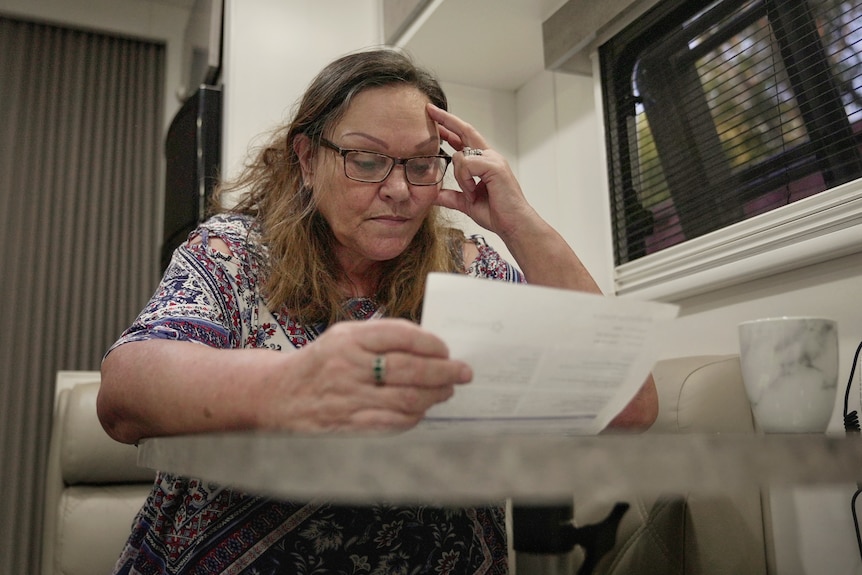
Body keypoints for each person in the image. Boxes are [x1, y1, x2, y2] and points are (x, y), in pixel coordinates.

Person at [98, 47, 658, 575]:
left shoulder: (472, 268)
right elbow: (123, 395)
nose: (399, 189)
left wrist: (519, 222)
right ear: (307, 158)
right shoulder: (234, 253)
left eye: (420, 164)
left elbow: (630, 404)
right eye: (366, 160)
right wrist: (297, 382)